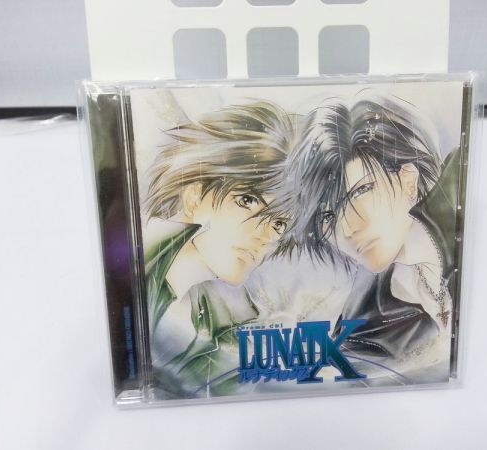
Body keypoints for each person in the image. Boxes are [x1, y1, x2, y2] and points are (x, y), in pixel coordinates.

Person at [284, 95, 464, 370]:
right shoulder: (365, 318)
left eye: (360, 191)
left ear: (408, 180)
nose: (347, 229)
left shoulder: (461, 187)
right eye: (329, 217)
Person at [142, 101, 298, 397]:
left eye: (279, 223)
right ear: (194, 197)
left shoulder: (221, 320)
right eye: (248, 201)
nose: (264, 236)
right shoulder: (138, 274)